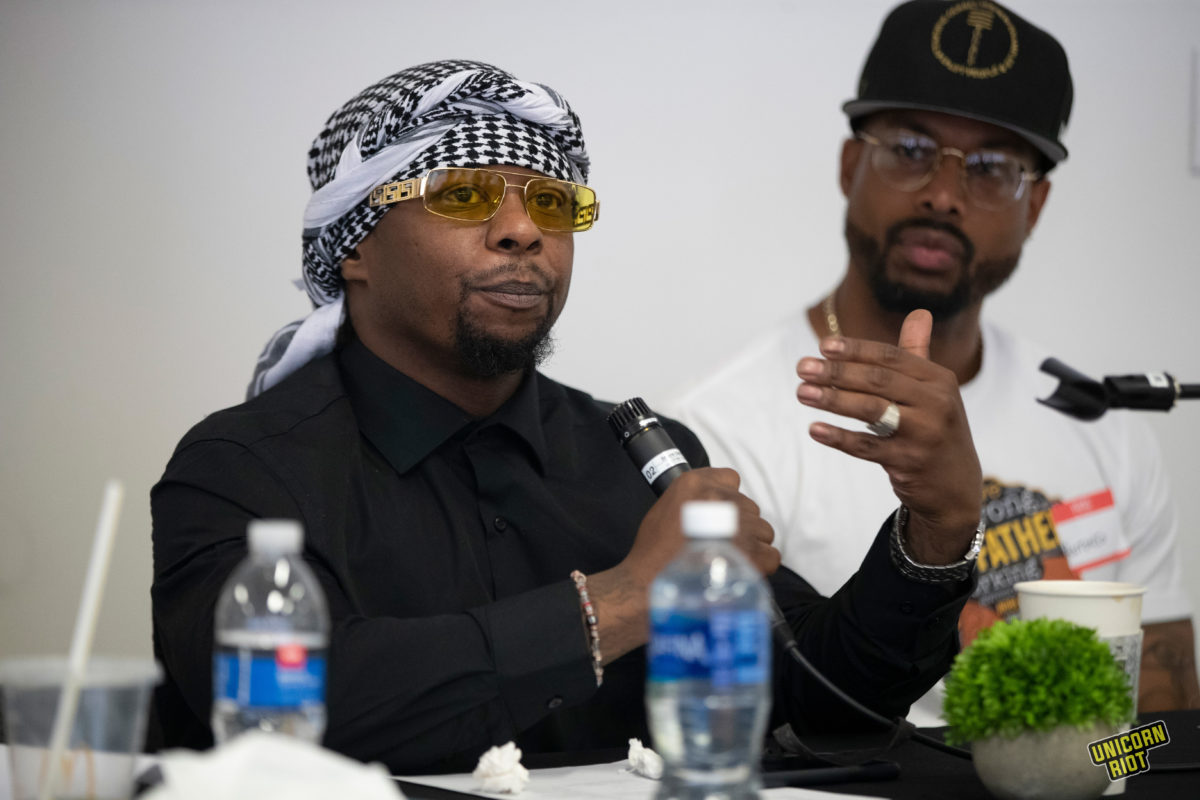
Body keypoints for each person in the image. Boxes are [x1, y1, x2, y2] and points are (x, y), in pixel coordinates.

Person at [150, 60, 981, 774]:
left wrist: (937, 527)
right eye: (466, 194)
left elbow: (818, 696)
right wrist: (620, 601)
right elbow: (297, 714)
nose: (521, 232)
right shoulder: (239, 470)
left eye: (553, 205)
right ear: (355, 246)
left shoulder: (637, 455)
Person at [669, 0, 1199, 725]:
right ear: (852, 163)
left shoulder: (1103, 424)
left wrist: (1073, 777)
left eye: (991, 168)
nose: (944, 195)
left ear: (1036, 205)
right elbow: (747, 726)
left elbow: (1164, 730)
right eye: (911, 150)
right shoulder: (719, 430)